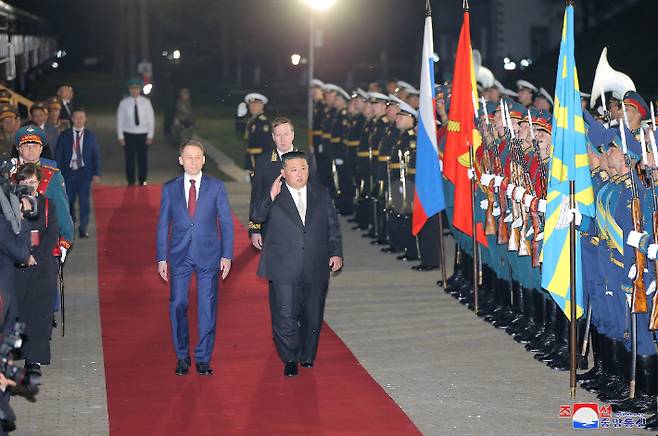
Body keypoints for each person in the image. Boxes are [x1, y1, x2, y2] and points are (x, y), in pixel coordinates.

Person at [252, 151, 343, 377]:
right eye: (293, 170)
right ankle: (289, 357)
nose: (300, 174)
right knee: (285, 314)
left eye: (303, 168)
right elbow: (256, 216)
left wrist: (336, 253)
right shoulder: (275, 195)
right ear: (283, 173)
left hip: (315, 263)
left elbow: (332, 226)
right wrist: (270, 196)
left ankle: (307, 355)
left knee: (313, 313)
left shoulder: (320, 193)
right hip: (283, 265)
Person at [156, 139, 234, 376]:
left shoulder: (217, 187)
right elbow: (162, 225)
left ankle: (202, 357)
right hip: (179, 255)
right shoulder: (169, 188)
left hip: (208, 255)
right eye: (188, 157)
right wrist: (161, 257)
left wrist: (227, 255)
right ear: (180, 160)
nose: (193, 161)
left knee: (207, 307)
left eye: (197, 157)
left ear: (204, 160)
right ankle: (182, 355)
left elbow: (227, 223)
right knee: (177, 303)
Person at [14, 164, 59, 374]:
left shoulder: (48, 205)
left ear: (39, 183)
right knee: (21, 312)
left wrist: (36, 256)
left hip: (42, 268)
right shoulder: (10, 207)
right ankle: (21, 351)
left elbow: (52, 235)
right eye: (25, 183)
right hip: (18, 268)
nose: (29, 186)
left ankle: (35, 360)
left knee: (40, 314)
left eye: (33, 182)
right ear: (18, 184)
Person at [54, 107, 102, 239]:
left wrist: (97, 173)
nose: (79, 120)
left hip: (85, 173)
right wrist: (57, 173)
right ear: (72, 119)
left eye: (81, 117)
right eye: (76, 117)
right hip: (69, 173)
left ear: (85, 119)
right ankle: (70, 223)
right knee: (68, 200)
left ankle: (83, 228)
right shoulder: (65, 135)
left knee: (84, 202)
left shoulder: (90, 136)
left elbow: (96, 155)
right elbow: (58, 155)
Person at [116, 78, 155, 186]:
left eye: (136, 88)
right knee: (129, 160)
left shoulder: (146, 102)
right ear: (129, 90)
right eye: (132, 88)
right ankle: (131, 181)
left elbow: (151, 119)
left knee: (143, 159)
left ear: (140, 89)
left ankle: (142, 180)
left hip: (143, 134)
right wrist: (120, 136)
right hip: (128, 134)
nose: (134, 90)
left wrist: (150, 135)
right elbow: (120, 120)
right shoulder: (123, 103)